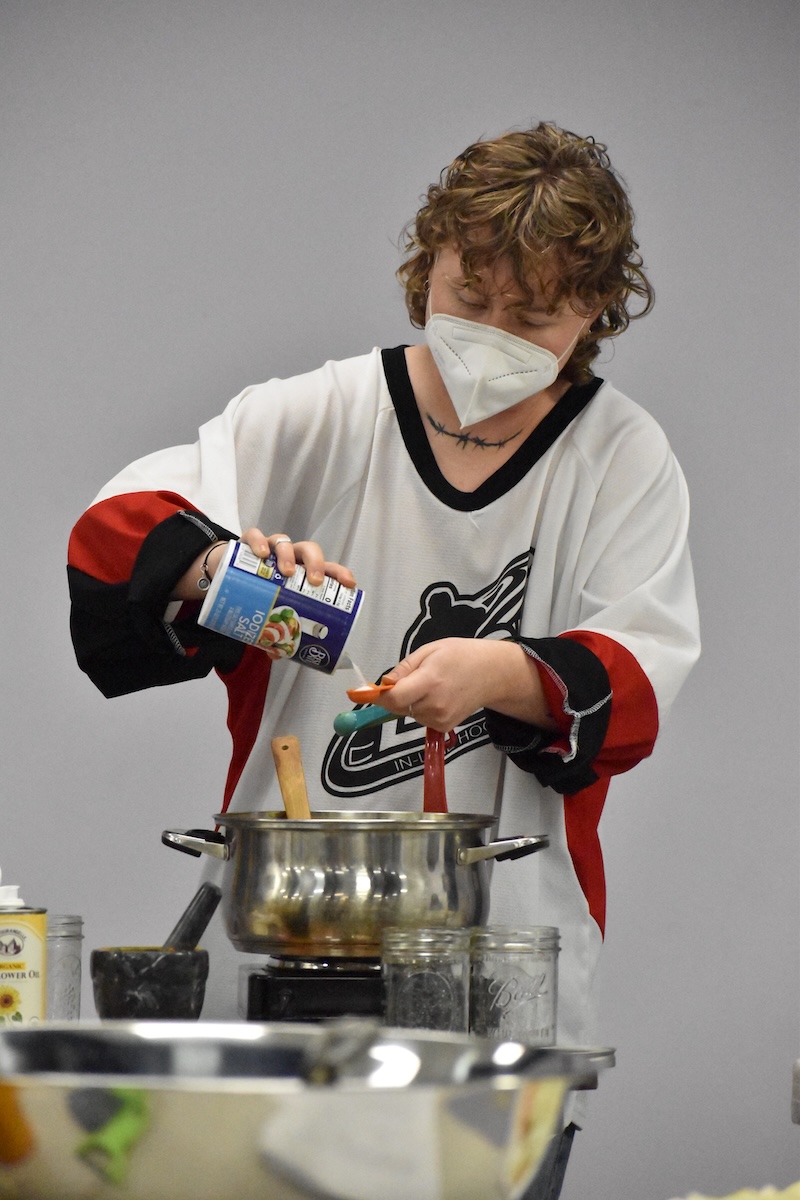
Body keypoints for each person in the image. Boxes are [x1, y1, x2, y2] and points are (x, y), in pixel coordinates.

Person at [68, 122, 700, 1198]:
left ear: (593, 310)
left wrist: (496, 674)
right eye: (469, 294)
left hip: (506, 950)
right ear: (425, 268)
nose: (491, 330)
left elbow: (637, 670)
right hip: (281, 937)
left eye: (531, 312)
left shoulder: (617, 457)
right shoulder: (323, 415)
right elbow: (115, 531)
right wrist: (222, 569)